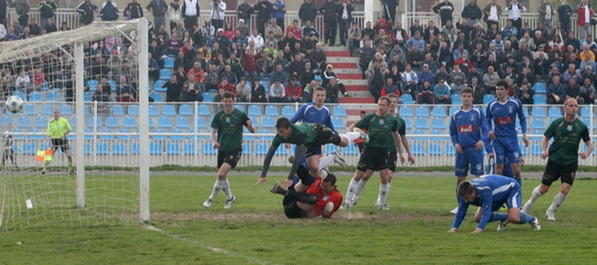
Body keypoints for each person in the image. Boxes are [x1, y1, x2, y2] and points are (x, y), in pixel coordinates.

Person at [522, 98, 592, 221]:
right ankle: (528, 204)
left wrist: (586, 153)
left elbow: (589, 144)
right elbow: (545, 138)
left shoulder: (581, 126)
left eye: (576, 106)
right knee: (544, 189)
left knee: (565, 189)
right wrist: (544, 150)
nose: (574, 108)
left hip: (570, 162)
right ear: (565, 107)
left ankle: (551, 211)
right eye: (571, 105)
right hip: (554, 160)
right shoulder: (557, 123)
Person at [342, 94, 413, 210]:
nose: (380, 107)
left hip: (383, 151)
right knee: (359, 175)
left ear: (388, 106)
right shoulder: (370, 118)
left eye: (383, 105)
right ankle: (348, 201)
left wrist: (401, 152)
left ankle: (381, 203)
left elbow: (396, 135)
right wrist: (352, 137)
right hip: (369, 150)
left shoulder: (392, 120)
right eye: (379, 105)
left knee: (385, 177)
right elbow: (353, 127)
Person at [255, 117, 365, 186]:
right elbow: (269, 154)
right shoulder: (279, 137)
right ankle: (332, 157)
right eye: (279, 132)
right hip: (310, 141)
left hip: (320, 133)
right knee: (314, 168)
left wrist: (290, 178)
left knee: (344, 143)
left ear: (289, 128)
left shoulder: (299, 134)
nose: (281, 135)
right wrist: (263, 175)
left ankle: (357, 133)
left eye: (282, 132)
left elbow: (297, 158)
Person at [203, 92, 256, 209]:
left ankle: (211, 198)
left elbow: (253, 131)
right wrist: (213, 142)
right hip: (222, 149)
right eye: (225, 101)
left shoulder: (240, 115)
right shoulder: (218, 116)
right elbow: (212, 132)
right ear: (222, 101)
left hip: (235, 149)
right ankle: (230, 197)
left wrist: (251, 126)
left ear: (233, 101)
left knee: (221, 174)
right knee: (222, 177)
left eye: (229, 101)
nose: (227, 104)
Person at [449, 174, 541, 233]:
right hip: (496, 195)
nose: (466, 201)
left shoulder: (484, 190)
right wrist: (454, 228)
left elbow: (486, 213)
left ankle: (532, 219)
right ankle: (505, 218)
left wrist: (479, 229)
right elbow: (461, 211)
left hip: (511, 189)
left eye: (467, 198)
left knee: (514, 218)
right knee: (478, 218)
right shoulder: (465, 192)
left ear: (473, 193)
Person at [448, 88, 489, 214]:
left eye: (469, 96)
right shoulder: (456, 115)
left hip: (475, 149)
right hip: (462, 151)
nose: (466, 98)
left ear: (472, 98)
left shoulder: (478, 112)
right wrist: (456, 144)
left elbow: (486, 129)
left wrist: (482, 141)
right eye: (464, 96)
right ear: (461, 97)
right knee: (461, 179)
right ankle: (460, 205)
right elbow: (453, 132)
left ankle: (482, 206)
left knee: (479, 178)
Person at [485, 80, 528, 186]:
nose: (499, 92)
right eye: (497, 89)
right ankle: (498, 195)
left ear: (507, 90)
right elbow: (486, 121)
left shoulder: (515, 103)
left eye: (501, 89)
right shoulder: (492, 105)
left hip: (512, 139)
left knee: (516, 170)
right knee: (499, 169)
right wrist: (489, 131)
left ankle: (517, 194)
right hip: (498, 140)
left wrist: (524, 134)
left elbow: (522, 118)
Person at [270, 169, 342, 219]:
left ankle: (282, 191)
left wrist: (326, 212)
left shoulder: (336, 197)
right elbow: (314, 169)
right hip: (292, 200)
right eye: (322, 185)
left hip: (294, 211)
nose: (323, 188)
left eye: (326, 186)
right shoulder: (318, 182)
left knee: (313, 198)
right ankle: (296, 162)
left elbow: (326, 216)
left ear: (334, 187)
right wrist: (322, 170)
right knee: (307, 181)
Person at [43, 109, 73, 175]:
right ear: (53, 114)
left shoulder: (64, 121)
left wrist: (64, 135)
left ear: (59, 114)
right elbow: (49, 134)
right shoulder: (51, 122)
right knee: (50, 154)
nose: (56, 114)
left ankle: (71, 170)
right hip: (54, 140)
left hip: (62, 140)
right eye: (55, 113)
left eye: (57, 113)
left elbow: (69, 129)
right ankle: (44, 169)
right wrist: (51, 142)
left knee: (68, 155)